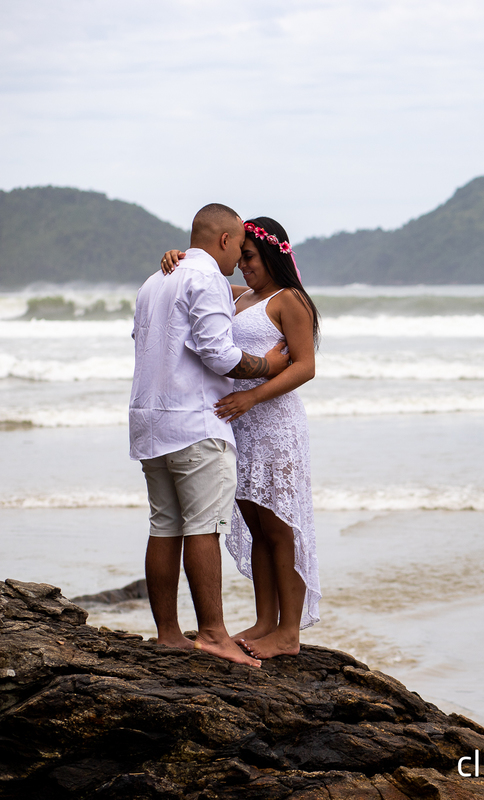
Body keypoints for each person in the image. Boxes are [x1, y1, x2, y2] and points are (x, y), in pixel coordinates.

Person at [130, 203, 288, 668]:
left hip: (149, 421)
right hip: (194, 422)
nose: (240, 255)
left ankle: (168, 634)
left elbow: (145, 340)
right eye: (240, 245)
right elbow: (220, 355)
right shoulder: (205, 280)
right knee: (204, 527)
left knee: (164, 526)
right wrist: (268, 366)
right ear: (224, 239)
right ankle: (215, 635)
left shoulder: (154, 281)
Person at [161, 216, 321, 659]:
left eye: (250, 257)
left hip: (273, 424)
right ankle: (265, 621)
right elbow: (200, 286)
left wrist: (252, 399)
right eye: (241, 256)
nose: (242, 265)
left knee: (278, 527)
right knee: (255, 523)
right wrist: (181, 258)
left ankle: (289, 632)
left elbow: (305, 366)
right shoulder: (242, 295)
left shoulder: (291, 300)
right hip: (239, 424)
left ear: (271, 254)